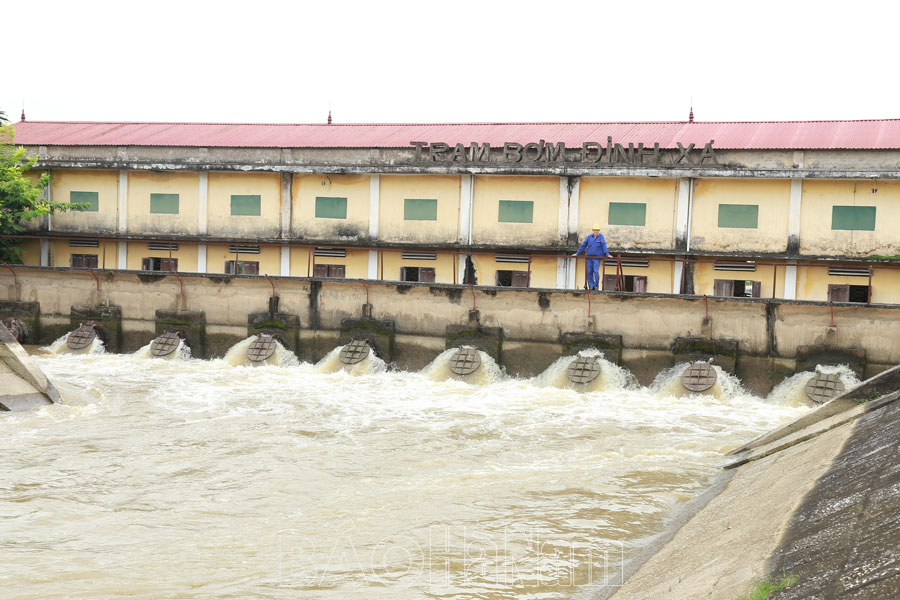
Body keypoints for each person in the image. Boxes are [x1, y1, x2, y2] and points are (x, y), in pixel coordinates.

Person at [572, 224, 610, 290]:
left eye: (597, 230)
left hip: (597, 258)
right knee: (589, 272)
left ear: (599, 231)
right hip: (589, 257)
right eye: (595, 230)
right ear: (592, 230)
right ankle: (591, 285)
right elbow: (583, 245)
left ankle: (596, 286)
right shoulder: (589, 237)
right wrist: (577, 253)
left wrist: (607, 254)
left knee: (595, 271)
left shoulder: (601, 237)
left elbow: (604, 245)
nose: (596, 231)